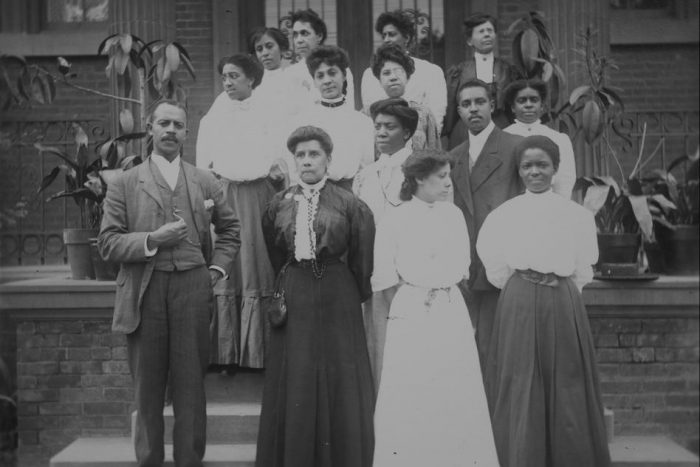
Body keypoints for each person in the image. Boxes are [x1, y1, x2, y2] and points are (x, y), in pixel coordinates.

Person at [98, 100, 240, 467]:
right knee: (147, 387)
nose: (171, 130)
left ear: (186, 133)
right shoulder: (125, 183)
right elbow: (108, 242)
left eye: (178, 125)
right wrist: (152, 239)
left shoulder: (204, 180)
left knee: (191, 384)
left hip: (193, 288)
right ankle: (149, 461)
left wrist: (215, 272)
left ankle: (190, 460)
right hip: (145, 290)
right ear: (150, 128)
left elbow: (230, 231)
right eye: (164, 123)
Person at [477, 135, 611, 467]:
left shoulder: (576, 215)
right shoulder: (504, 214)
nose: (535, 172)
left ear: (555, 168)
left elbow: (583, 268)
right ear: (519, 171)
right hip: (519, 298)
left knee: (567, 378)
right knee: (521, 377)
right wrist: (524, 286)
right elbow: (495, 268)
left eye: (542, 165)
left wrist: (559, 286)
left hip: (563, 301)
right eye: (527, 166)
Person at [255, 126, 376, 466]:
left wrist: (350, 294)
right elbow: (275, 253)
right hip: (295, 288)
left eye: (314, 154)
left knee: (339, 373)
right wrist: (296, 279)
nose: (307, 161)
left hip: (339, 292)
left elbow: (362, 259)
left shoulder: (350, 203)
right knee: (298, 374)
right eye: (301, 155)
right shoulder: (277, 204)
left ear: (328, 159)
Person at [372, 149, 499, 466]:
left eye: (448, 177)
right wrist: (411, 300)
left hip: (449, 306)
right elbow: (384, 277)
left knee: (454, 386)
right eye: (441, 177)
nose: (447, 184)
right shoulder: (395, 219)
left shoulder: (453, 216)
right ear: (418, 179)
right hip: (411, 308)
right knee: (413, 387)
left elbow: (463, 265)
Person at [196, 54, 282, 370]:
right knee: (228, 263)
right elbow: (204, 161)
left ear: (251, 79)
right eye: (225, 77)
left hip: (260, 195)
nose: (228, 83)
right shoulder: (216, 115)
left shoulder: (269, 112)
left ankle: (260, 352)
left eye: (235, 76)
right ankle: (225, 354)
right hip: (226, 196)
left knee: (257, 263)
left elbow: (279, 155)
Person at [449, 79, 523, 372]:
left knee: (500, 352)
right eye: (466, 104)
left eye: (479, 102)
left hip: (501, 269)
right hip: (464, 269)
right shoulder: (453, 156)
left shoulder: (516, 148)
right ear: (459, 111)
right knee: (467, 354)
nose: (473, 109)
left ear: (492, 105)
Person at [353, 98, 418, 390]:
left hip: (411, 275)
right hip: (375, 272)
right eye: (377, 126)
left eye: (389, 127)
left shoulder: (420, 172)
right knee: (376, 342)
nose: (380, 132)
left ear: (406, 133)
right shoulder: (365, 176)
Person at [286, 45, 374, 190]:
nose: (327, 80)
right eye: (320, 76)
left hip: (349, 194)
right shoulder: (303, 121)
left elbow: (366, 170)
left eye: (332, 73)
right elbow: (295, 168)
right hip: (311, 193)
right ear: (314, 81)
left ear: (344, 75)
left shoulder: (362, 122)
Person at [360, 10, 447, 132]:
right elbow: (370, 115)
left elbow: (435, 117)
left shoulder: (431, 72)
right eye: (384, 35)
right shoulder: (370, 74)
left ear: (406, 38)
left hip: (420, 142)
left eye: (391, 34)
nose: (386, 39)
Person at [443, 13, 517, 149]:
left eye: (490, 31)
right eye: (481, 31)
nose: (487, 34)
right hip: (466, 129)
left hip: (500, 126)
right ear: (470, 41)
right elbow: (452, 108)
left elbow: (513, 106)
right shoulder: (458, 72)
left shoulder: (508, 70)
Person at [503, 79, 576, 198]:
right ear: (513, 107)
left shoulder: (558, 139)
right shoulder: (502, 138)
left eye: (534, 100)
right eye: (522, 101)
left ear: (542, 106)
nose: (528, 105)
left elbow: (565, 181)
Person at [369, 43, 441, 151]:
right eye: (386, 73)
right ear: (379, 80)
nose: (393, 77)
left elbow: (435, 152)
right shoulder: (370, 116)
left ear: (407, 76)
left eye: (398, 71)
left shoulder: (424, 114)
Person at [287, 8, 355, 106]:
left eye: (304, 33)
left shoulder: (340, 68)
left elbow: (348, 106)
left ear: (319, 36)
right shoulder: (291, 73)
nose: (299, 40)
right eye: (295, 35)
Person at [248, 27, 306, 121]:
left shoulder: (295, 81)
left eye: (269, 46)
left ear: (282, 49)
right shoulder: (254, 87)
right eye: (259, 49)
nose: (265, 53)